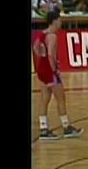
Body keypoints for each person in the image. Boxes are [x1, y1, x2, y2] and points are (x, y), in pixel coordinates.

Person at [33, 11, 83, 140]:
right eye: (59, 20)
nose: (61, 22)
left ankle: (44, 129)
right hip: (50, 71)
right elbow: (50, 55)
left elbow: (37, 52)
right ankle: (66, 127)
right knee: (61, 98)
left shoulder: (39, 35)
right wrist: (55, 69)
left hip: (42, 71)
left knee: (44, 99)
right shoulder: (52, 36)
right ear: (54, 21)